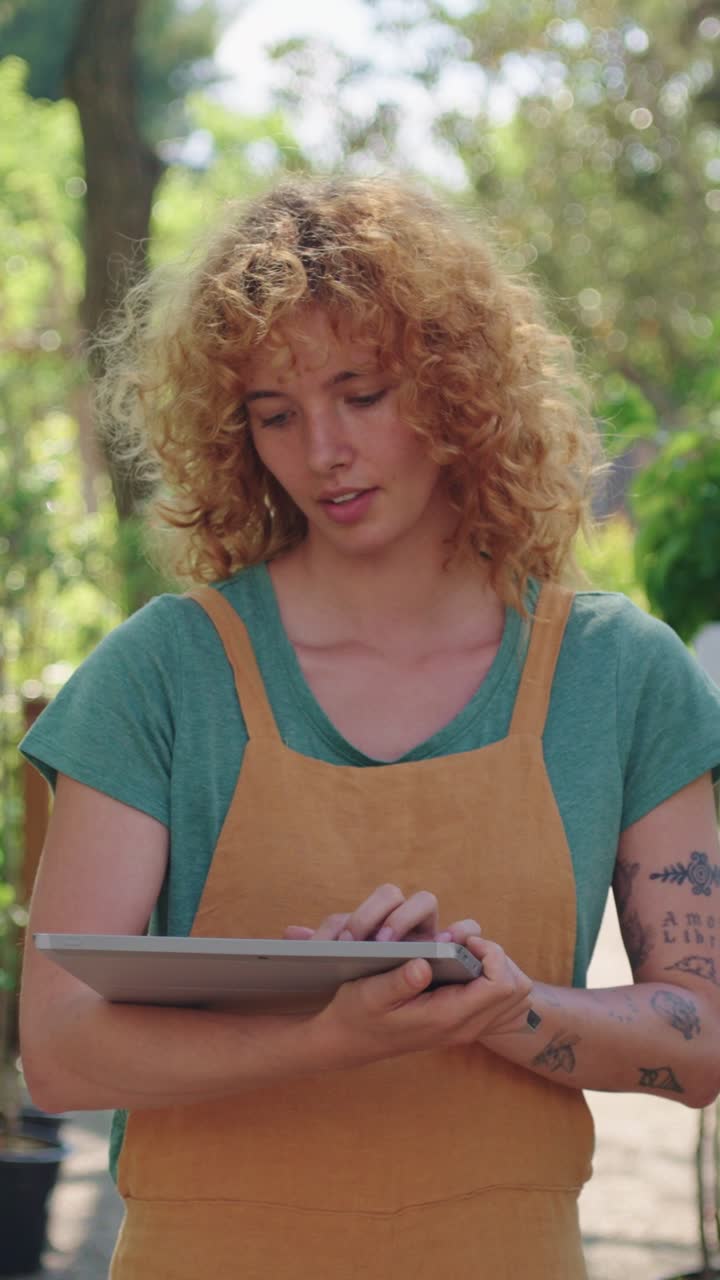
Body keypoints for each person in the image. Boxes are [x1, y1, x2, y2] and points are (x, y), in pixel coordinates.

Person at [19, 175, 720, 1280]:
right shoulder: (161, 672)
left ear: (457, 383)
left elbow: (702, 1039)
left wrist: (505, 1006)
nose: (324, 451)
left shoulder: (620, 675)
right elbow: (57, 1053)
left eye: (362, 391)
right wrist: (326, 1035)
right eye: (275, 413)